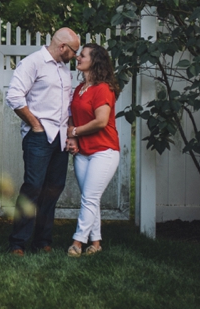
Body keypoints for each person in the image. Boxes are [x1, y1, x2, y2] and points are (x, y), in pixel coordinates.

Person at [5, 27, 81, 255]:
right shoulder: (33, 62)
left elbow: (66, 104)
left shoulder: (63, 69)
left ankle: (42, 241)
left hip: (59, 138)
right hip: (39, 137)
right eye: (74, 51)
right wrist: (35, 125)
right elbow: (14, 96)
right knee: (33, 188)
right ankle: (17, 243)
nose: (76, 56)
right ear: (62, 47)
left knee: (53, 189)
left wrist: (69, 131)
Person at [65, 43, 121, 257]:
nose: (77, 57)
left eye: (83, 55)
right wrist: (73, 136)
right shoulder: (80, 89)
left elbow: (101, 121)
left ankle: (77, 242)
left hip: (104, 151)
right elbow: (72, 115)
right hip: (83, 153)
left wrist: (75, 131)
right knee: (91, 197)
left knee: (89, 197)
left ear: (94, 61)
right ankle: (96, 243)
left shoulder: (103, 89)